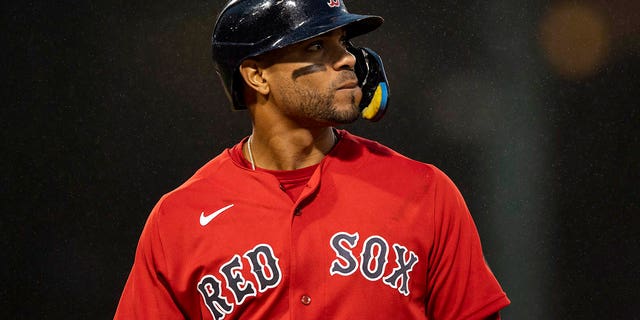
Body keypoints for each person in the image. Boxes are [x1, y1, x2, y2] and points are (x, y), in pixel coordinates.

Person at [114, 0, 510, 319]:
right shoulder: (180, 218)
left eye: (343, 42)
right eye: (316, 46)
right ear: (256, 76)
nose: (349, 60)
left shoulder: (425, 192)